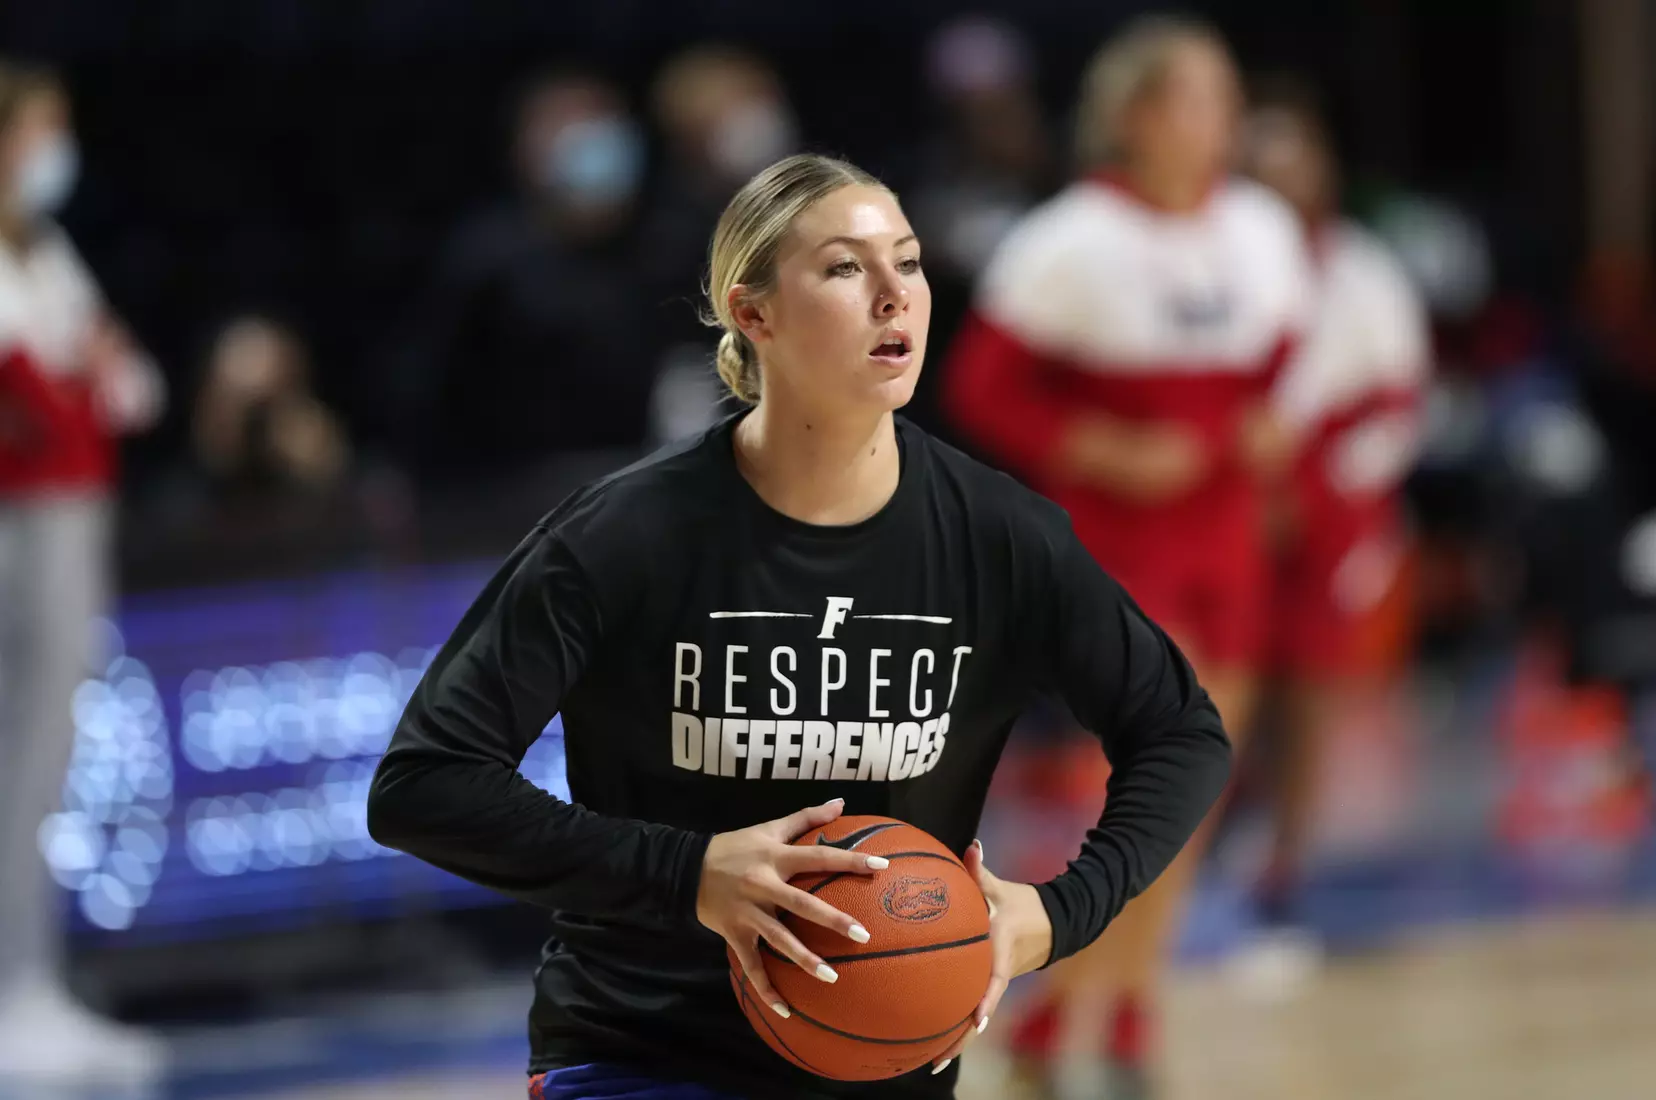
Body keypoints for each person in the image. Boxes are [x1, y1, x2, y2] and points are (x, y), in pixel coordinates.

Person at [367, 153, 1234, 1100]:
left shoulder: (1001, 538)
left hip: (893, 1062)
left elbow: (1182, 732)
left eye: (907, 263)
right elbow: (424, 783)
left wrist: (1058, 915)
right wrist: (687, 870)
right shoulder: (625, 536)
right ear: (753, 315)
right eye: (844, 268)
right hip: (641, 1054)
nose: (893, 295)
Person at [940, 17, 1312, 1100]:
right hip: (1125, 537)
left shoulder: (1258, 227)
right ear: (1137, 113)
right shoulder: (1069, 240)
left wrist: (1268, 436)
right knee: (1158, 770)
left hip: (1230, 528)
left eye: (1229, 98)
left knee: (1199, 784)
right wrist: (1105, 446)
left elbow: (1279, 364)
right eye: (1202, 97)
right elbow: (983, 384)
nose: (1226, 121)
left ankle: (1099, 1006)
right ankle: (1093, 1002)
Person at [0, 61, 167, 1083]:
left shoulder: (51, 253)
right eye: (40, 131)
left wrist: (79, 376)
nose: (54, 153)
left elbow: (132, 389)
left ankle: (29, 978)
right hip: (15, 529)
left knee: (41, 762)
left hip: (67, 524)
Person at [1240, 84, 1432, 950]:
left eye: (1294, 161)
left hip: (1331, 513)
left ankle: (1284, 873)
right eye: (1262, 164)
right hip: (1229, 501)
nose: (1280, 180)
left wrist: (1318, 491)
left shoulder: (1361, 271)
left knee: (1311, 691)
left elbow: (1398, 405)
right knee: (1219, 687)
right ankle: (1201, 855)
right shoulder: (1217, 268)